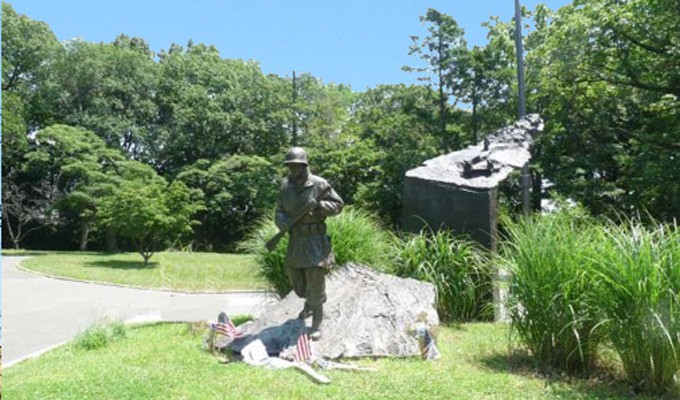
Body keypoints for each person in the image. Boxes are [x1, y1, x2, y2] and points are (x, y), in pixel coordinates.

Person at [275, 147, 343, 340]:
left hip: (315, 240)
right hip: (296, 240)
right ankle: (310, 303)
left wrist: (320, 206)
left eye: (296, 165)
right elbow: (279, 210)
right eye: (290, 165)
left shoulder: (319, 184)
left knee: (315, 280)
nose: (293, 169)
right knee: (296, 279)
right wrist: (283, 223)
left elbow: (338, 205)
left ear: (304, 165)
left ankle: (317, 322)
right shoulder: (286, 186)